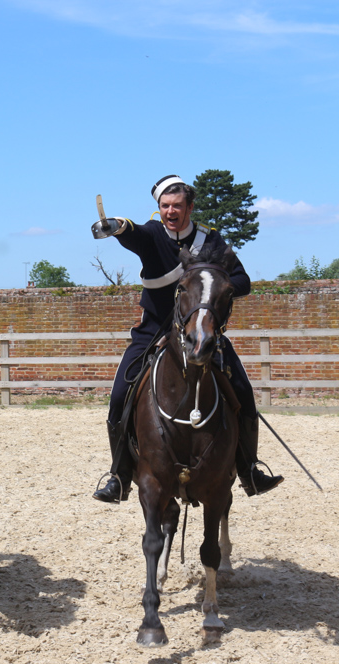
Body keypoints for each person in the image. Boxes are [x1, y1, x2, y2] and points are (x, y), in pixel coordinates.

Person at [92, 175, 284, 503]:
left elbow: (243, 279)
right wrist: (118, 226)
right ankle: (120, 475)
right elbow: (133, 232)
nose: (170, 211)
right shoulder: (152, 235)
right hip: (154, 331)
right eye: (164, 206)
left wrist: (216, 290)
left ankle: (250, 469)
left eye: (177, 206)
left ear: (190, 207)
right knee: (119, 394)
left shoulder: (211, 241)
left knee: (243, 390)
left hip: (202, 330)